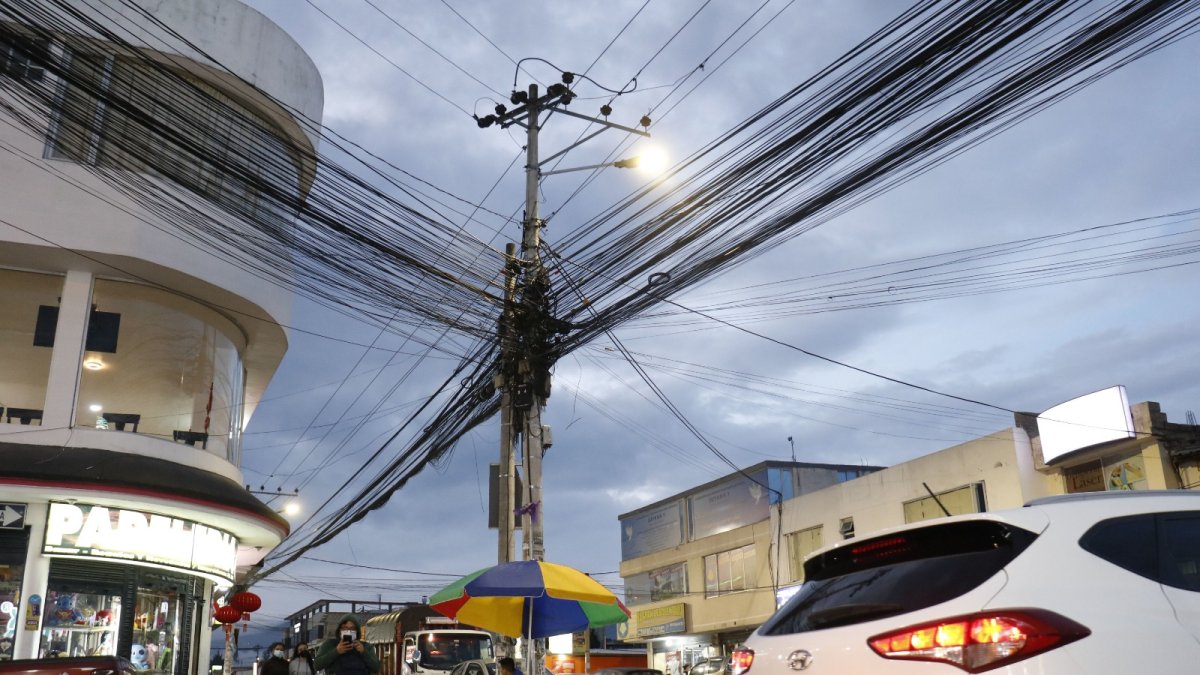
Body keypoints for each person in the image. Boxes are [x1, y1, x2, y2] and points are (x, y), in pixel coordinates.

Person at [314, 615, 381, 675]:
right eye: (345, 628)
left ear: (357, 631)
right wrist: (336, 651)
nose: (348, 631)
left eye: (352, 628)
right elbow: (317, 665)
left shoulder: (366, 646)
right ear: (339, 630)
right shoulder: (329, 644)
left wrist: (363, 652)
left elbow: (376, 668)